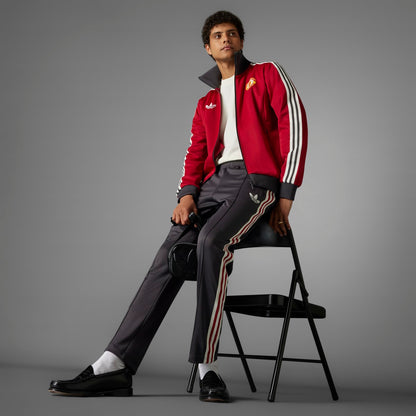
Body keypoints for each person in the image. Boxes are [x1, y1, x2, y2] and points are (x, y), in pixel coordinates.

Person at [49, 10, 307, 403]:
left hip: (254, 180)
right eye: (217, 35)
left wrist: (285, 196)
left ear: (241, 41)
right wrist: (186, 196)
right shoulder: (206, 103)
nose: (226, 39)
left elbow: (295, 125)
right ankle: (114, 363)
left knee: (210, 242)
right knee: (167, 255)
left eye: (232, 33)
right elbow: (195, 154)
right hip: (211, 185)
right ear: (207, 47)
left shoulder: (267, 73)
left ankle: (207, 367)